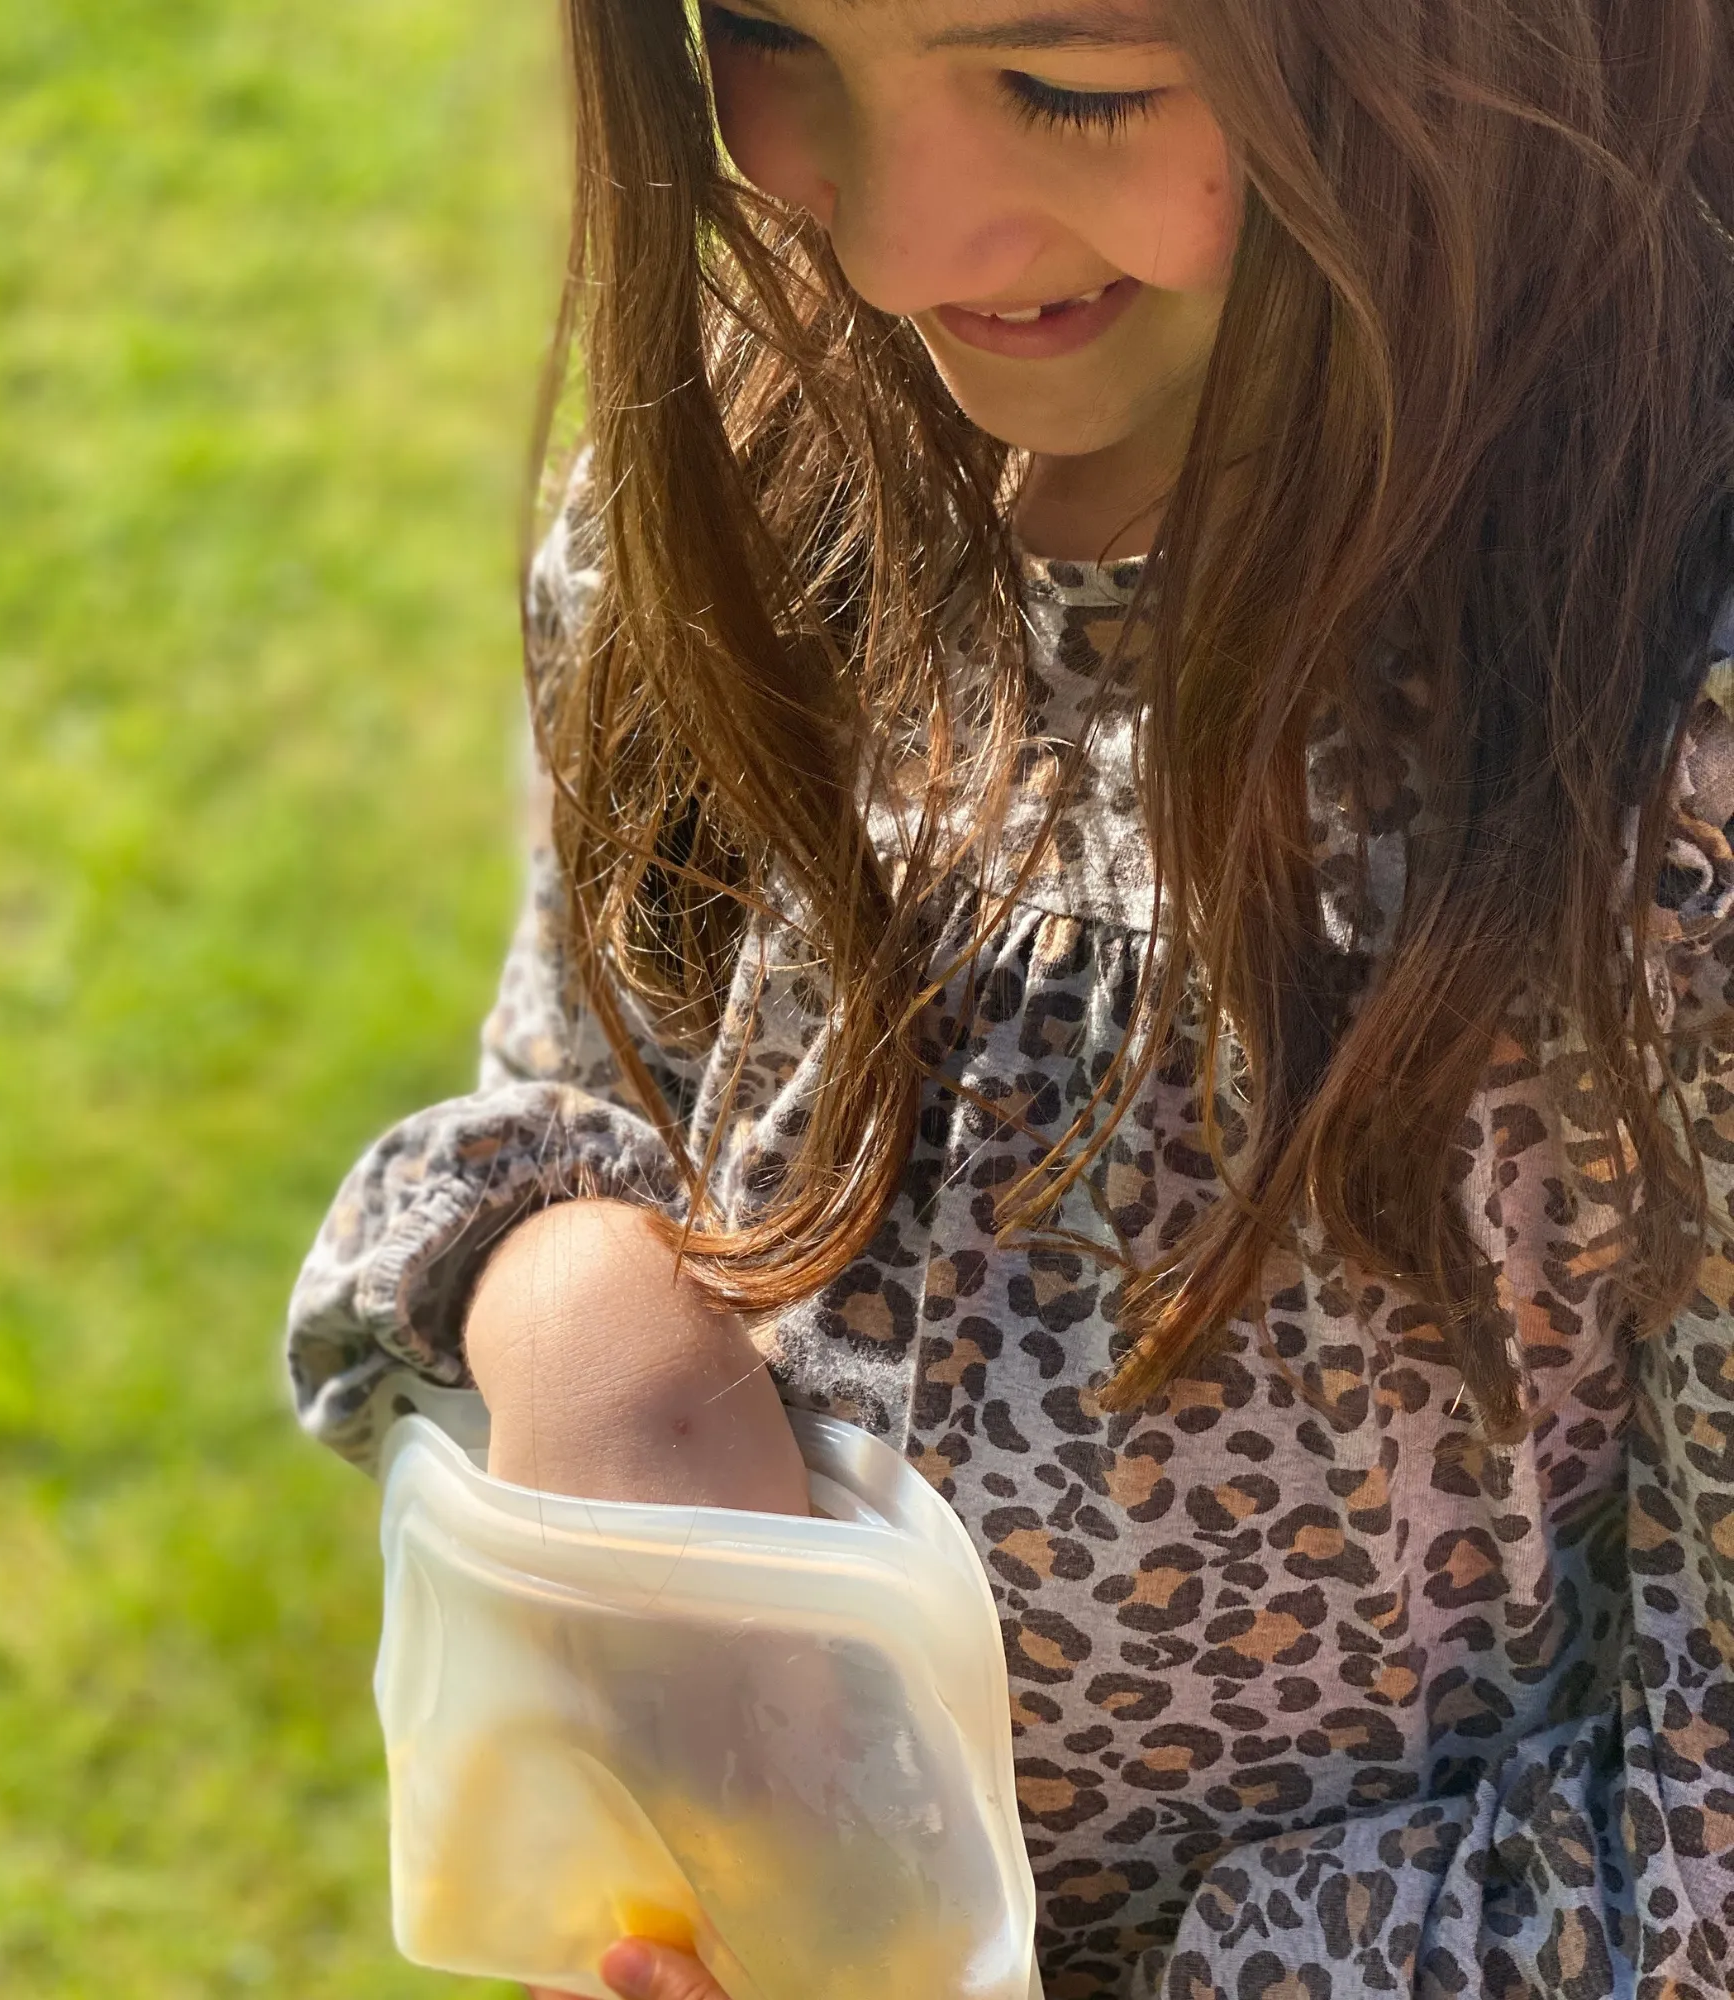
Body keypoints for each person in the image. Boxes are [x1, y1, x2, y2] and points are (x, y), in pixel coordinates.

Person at [288, 0, 1734, 1992]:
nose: (887, 251)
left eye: (1071, 85)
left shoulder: (1669, 732)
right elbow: (580, 1077)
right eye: (765, 37)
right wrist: (585, 1334)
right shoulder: (771, 474)